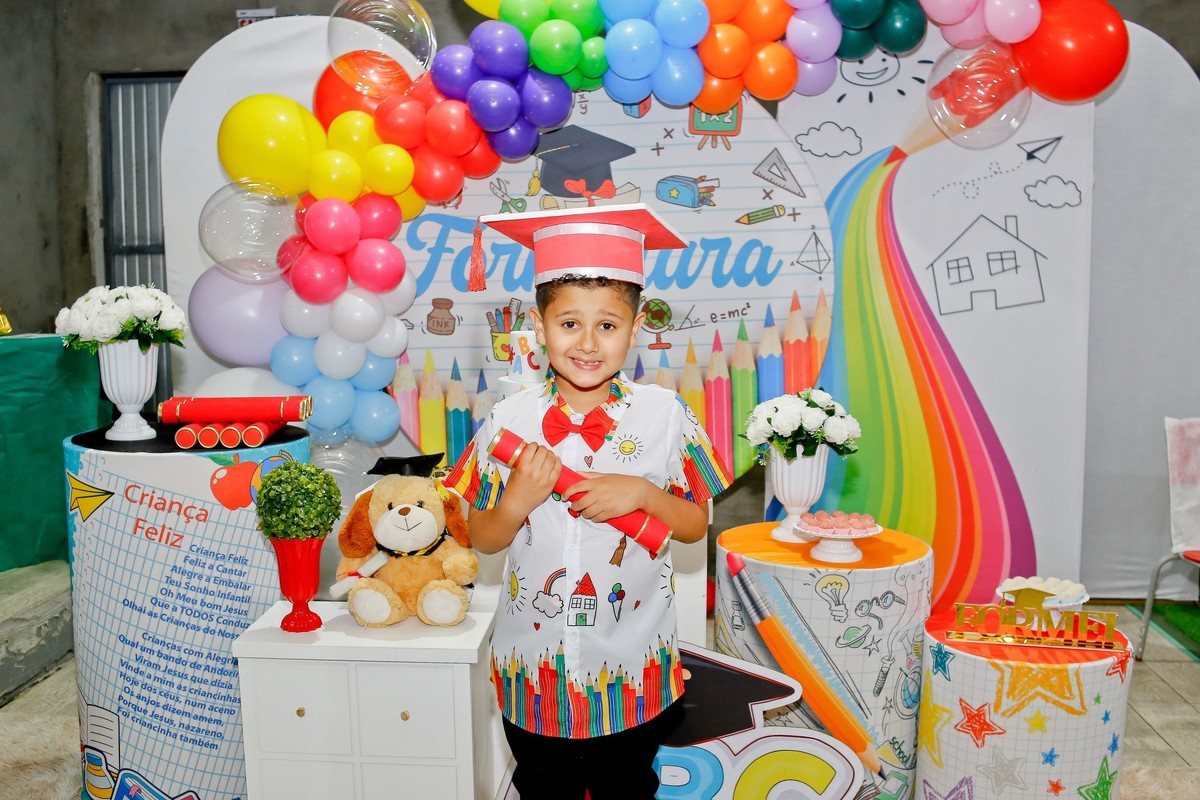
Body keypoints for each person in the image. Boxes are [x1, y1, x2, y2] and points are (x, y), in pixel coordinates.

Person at [445, 204, 732, 799]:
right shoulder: (507, 419)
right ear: (538, 324)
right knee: (541, 789)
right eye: (569, 322)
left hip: (628, 667)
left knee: (628, 788)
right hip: (535, 668)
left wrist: (643, 494)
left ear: (636, 327)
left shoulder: (664, 414)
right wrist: (517, 501)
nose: (587, 343)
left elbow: (694, 526)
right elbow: (481, 537)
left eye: (608, 325)